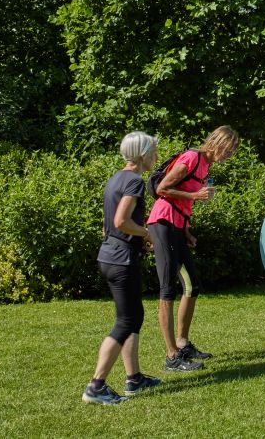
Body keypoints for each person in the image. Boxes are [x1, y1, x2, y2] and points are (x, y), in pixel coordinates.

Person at [147, 125, 240, 372]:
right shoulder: (191, 157)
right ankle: (171, 357)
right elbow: (162, 189)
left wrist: (186, 229)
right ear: (217, 142)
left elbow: (185, 201)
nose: (228, 155)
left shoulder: (205, 166)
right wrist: (195, 196)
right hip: (162, 223)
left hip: (177, 226)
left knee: (192, 286)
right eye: (227, 149)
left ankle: (182, 344)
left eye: (232, 152)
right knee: (168, 289)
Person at [82, 131, 161, 405]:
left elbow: (107, 226)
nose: (156, 156)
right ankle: (96, 385)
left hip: (110, 255)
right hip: (121, 260)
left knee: (133, 316)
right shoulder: (135, 181)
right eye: (153, 151)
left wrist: (138, 238)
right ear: (142, 154)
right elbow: (120, 221)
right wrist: (146, 233)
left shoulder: (115, 178)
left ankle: (134, 378)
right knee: (126, 321)